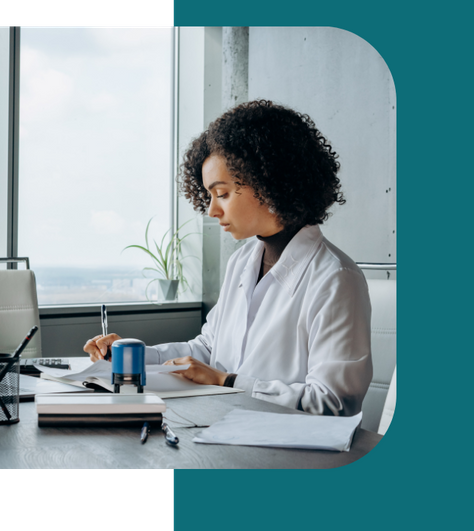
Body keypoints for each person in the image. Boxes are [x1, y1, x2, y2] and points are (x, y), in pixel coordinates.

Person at [84, 99, 373, 417]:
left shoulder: (335, 279)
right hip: (226, 431)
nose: (211, 210)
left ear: (269, 181)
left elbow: (333, 403)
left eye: (221, 194)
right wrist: (132, 356)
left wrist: (227, 381)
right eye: (209, 195)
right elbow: (208, 351)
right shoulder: (242, 261)